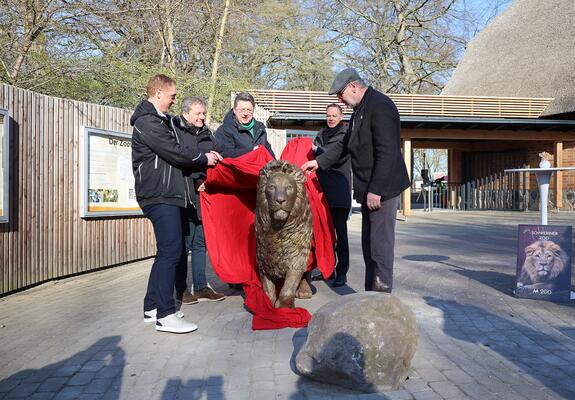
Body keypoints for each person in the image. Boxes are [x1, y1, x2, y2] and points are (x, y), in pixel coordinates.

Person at [302, 68, 410, 293]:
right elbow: (344, 145)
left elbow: (388, 151)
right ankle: (371, 296)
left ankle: (381, 300)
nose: (340, 100)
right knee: (368, 246)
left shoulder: (380, 105)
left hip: (382, 191)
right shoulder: (360, 110)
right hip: (369, 190)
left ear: (353, 86)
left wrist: (376, 190)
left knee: (379, 247)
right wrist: (319, 162)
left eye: (341, 94)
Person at [131, 74, 222, 333]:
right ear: (158, 93)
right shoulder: (148, 122)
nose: (173, 101)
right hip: (160, 195)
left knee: (167, 252)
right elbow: (175, 152)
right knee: (171, 251)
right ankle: (165, 314)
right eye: (172, 96)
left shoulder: (159, 121)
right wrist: (204, 159)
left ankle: (151, 308)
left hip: (168, 194)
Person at [171, 96, 226, 304]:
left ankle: (201, 287)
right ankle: (181, 289)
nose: (202, 117)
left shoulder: (206, 133)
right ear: (186, 114)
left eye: (203, 113)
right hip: (185, 193)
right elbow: (181, 159)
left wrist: (217, 156)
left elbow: (217, 152)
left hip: (204, 195)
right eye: (198, 114)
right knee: (184, 245)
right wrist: (196, 180)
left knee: (200, 243)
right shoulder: (176, 132)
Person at [312, 104, 351, 287]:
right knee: (324, 234)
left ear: (341, 117)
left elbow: (333, 157)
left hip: (338, 192)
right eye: (328, 115)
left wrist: (316, 151)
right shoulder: (321, 134)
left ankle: (342, 272)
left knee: (340, 235)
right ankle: (328, 268)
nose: (331, 118)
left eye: (334, 115)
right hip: (321, 193)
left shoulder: (345, 135)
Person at [215, 92, 276, 159]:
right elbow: (225, 153)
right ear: (234, 110)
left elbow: (268, 151)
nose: (245, 113)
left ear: (253, 110)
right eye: (242, 110)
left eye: (249, 110)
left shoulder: (260, 128)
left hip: (260, 168)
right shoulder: (224, 130)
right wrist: (251, 151)